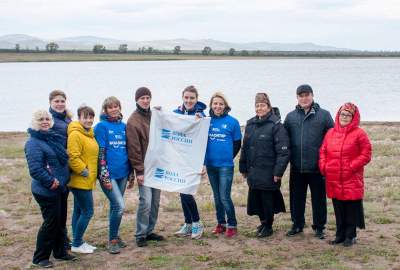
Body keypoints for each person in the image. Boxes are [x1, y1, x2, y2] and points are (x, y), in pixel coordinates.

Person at [25, 110, 76, 268]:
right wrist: (51, 182)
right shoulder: (33, 142)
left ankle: (60, 252)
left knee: (60, 222)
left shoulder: (51, 138)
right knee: (51, 223)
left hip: (60, 188)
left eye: (47, 119)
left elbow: (61, 160)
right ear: (35, 122)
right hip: (47, 190)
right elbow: (35, 169)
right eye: (41, 119)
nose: (45, 121)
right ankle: (40, 257)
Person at [284, 84, 334, 239]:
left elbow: (332, 139)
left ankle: (319, 227)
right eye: (301, 96)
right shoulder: (290, 116)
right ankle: (297, 224)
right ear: (297, 98)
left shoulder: (324, 115)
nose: (304, 98)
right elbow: (283, 139)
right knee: (296, 198)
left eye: (307, 95)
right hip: (297, 166)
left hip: (317, 167)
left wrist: (327, 161)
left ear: (312, 96)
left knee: (318, 199)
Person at [319, 102, 371, 247]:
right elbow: (323, 151)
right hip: (334, 177)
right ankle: (340, 235)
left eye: (348, 115)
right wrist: (324, 166)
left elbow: (366, 154)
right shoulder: (330, 133)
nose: (345, 117)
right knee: (338, 208)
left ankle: (351, 235)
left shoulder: (359, 134)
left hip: (351, 178)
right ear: (338, 115)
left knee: (351, 208)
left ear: (354, 117)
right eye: (343, 114)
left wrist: (351, 166)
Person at [239, 93, 290, 237]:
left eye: (262, 105)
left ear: (268, 107)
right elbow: (245, 147)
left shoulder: (276, 125)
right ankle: (262, 222)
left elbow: (283, 152)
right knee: (256, 199)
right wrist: (243, 167)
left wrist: (278, 172)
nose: (259, 108)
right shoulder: (250, 124)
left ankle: (268, 226)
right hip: (253, 171)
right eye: (257, 105)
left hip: (269, 172)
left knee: (267, 201)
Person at [126, 87, 164, 248]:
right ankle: (140, 234)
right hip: (144, 169)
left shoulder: (154, 115)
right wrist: (139, 171)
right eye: (142, 98)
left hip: (157, 166)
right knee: (146, 202)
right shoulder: (133, 121)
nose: (146, 100)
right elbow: (134, 148)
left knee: (155, 202)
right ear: (136, 100)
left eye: (148, 97)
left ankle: (149, 231)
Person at [94, 96, 131, 254]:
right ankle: (112, 241)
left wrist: (131, 174)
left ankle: (114, 235)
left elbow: (127, 150)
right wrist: (104, 176)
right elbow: (100, 154)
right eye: (110, 107)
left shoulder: (123, 126)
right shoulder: (101, 127)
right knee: (119, 206)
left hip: (123, 173)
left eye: (116, 106)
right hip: (109, 175)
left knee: (115, 207)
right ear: (105, 110)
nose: (114, 109)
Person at [205, 92, 241, 237]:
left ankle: (232, 224)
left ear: (225, 105)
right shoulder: (206, 121)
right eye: (215, 103)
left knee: (224, 196)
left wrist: (227, 157)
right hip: (211, 165)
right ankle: (221, 223)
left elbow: (238, 143)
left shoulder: (233, 122)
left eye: (221, 104)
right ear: (211, 105)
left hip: (226, 166)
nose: (218, 106)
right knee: (216, 196)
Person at [173, 85, 206, 239]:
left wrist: (203, 163)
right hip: (179, 159)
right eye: (186, 97)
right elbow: (165, 124)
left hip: (194, 160)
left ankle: (197, 223)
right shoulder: (176, 113)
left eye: (192, 98)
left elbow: (204, 141)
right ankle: (188, 224)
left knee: (187, 193)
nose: (189, 100)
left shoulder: (201, 116)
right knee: (181, 191)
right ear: (182, 97)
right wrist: (159, 113)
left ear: (196, 99)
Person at [67, 106, 99, 254]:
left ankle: (76, 241)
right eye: (85, 117)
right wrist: (84, 171)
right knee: (88, 211)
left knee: (79, 211)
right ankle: (77, 243)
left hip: (86, 180)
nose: (89, 120)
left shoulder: (89, 134)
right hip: (80, 180)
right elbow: (73, 156)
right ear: (79, 118)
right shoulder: (75, 134)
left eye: (91, 117)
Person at [48, 90, 73, 250]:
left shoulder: (67, 118)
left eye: (62, 101)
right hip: (55, 168)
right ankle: (57, 243)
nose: (59, 104)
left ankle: (63, 239)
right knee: (56, 210)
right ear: (50, 102)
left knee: (63, 207)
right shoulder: (48, 120)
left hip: (66, 169)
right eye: (56, 101)